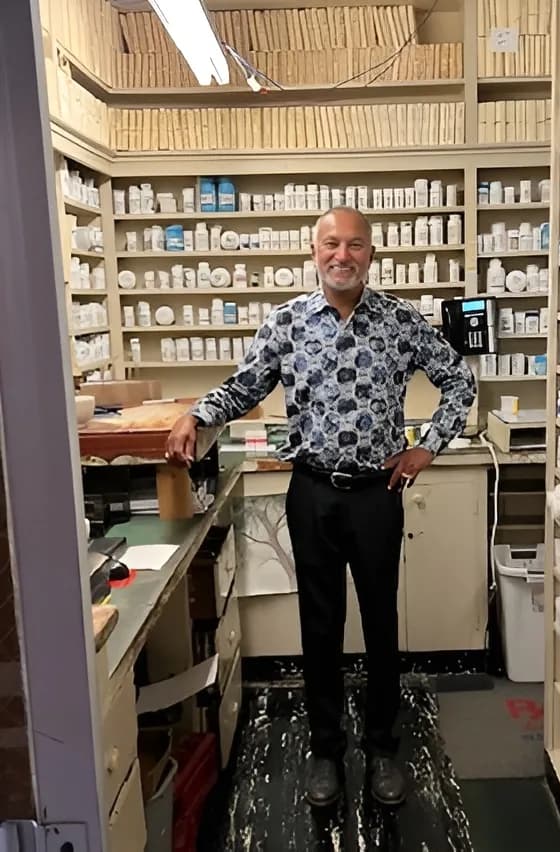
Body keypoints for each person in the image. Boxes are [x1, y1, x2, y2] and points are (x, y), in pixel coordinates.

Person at [166, 206, 476, 808]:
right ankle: (325, 751)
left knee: (381, 623)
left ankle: (382, 747)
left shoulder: (400, 321)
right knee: (320, 626)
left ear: (371, 255)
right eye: (331, 244)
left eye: (355, 245)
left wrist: (426, 448)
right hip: (312, 493)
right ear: (314, 253)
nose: (342, 255)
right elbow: (245, 386)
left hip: (377, 494)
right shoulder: (287, 323)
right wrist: (196, 414)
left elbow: (459, 381)